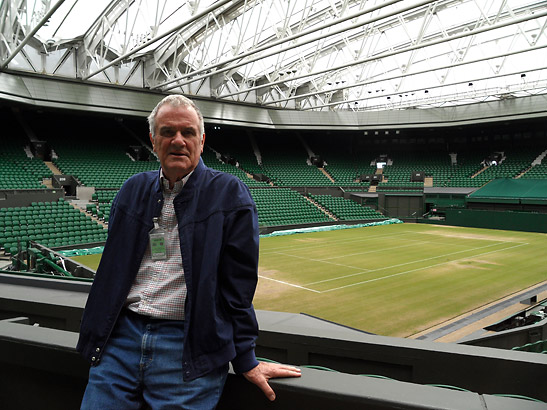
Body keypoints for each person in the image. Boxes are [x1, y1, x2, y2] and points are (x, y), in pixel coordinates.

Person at [77, 94, 301, 409]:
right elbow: (111, 272)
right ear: (153, 140)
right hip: (119, 342)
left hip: (188, 348)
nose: (178, 141)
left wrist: (246, 358)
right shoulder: (131, 191)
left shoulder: (230, 194)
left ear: (202, 139)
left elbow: (237, 286)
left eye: (188, 132)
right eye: (168, 132)